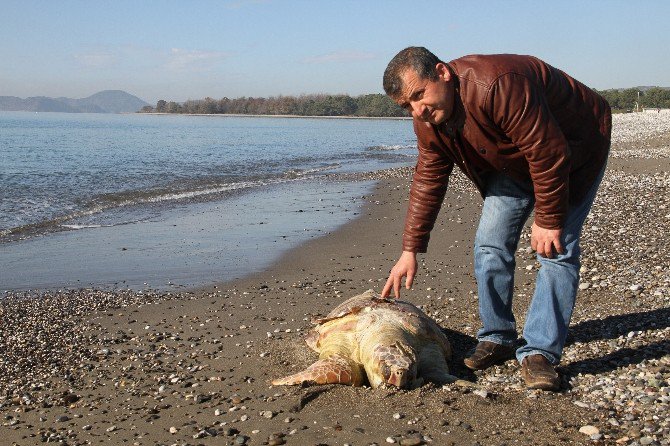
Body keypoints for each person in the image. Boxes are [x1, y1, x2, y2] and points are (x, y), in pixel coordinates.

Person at [380, 47, 611, 391]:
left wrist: (548, 218)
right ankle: (498, 336)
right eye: (407, 106)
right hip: (512, 160)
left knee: (556, 251)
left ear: (442, 73)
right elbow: (428, 179)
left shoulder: (498, 84)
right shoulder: (428, 120)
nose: (418, 110)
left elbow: (548, 151)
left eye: (419, 95)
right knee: (490, 244)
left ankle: (540, 353)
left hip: (574, 151)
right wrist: (410, 249)